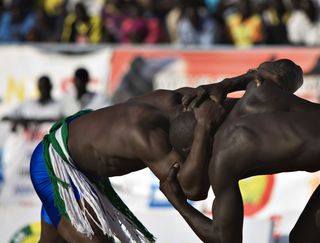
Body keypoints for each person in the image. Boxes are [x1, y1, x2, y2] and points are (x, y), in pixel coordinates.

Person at [160, 59, 320, 243]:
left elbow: (223, 238)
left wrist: (178, 202)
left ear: (194, 147)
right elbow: (292, 70)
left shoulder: (222, 161)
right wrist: (229, 83)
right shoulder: (255, 94)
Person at [29, 68, 265, 242]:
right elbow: (194, 190)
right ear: (183, 148)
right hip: (57, 163)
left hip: (80, 154)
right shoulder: (147, 138)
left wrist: (238, 81)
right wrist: (204, 129)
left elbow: (278, 77)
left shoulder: (183, 99)